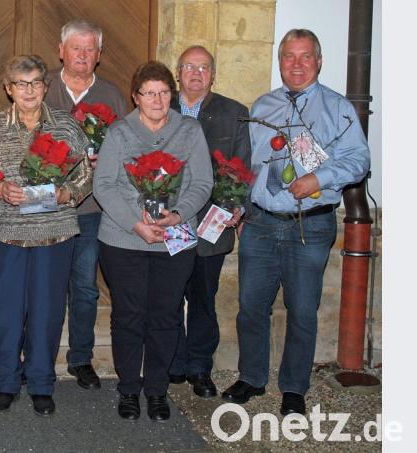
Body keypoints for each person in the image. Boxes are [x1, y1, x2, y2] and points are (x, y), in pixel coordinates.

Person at [221, 29, 370, 416]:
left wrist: (319, 178)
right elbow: (249, 165)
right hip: (260, 224)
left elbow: (359, 160)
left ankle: (294, 387)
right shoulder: (262, 106)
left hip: (310, 226)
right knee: (251, 307)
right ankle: (252, 377)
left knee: (302, 311)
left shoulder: (337, 108)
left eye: (305, 56)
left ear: (318, 61)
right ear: (280, 61)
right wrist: (242, 207)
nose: (297, 64)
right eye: (289, 56)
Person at [93, 61, 212, 421]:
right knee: (128, 315)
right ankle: (129, 388)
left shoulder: (189, 131)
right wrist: (135, 224)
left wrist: (178, 214)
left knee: (166, 315)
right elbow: (104, 185)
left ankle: (157, 390)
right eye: (149, 93)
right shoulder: (119, 132)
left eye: (163, 92)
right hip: (123, 240)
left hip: (174, 238)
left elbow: (202, 183)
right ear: (136, 97)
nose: (157, 100)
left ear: (171, 95)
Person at [0, 55, 92, 417]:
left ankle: (41, 383)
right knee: (5, 314)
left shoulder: (66, 126)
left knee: (47, 312)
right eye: (21, 84)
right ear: (8, 89)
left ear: (46, 86)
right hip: (7, 233)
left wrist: (66, 192)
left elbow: (86, 175)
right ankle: (5, 383)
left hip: (54, 235)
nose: (29, 91)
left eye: (36, 83)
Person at [44, 19, 127, 390]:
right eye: (75, 47)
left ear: (99, 54)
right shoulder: (41, 86)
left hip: (91, 210)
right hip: (46, 209)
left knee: (85, 288)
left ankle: (80, 358)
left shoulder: (111, 95)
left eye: (89, 48)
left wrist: (105, 158)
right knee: (45, 287)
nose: (82, 55)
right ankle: (41, 358)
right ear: (61, 51)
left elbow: (127, 149)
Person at [167, 45, 250, 398]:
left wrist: (238, 206)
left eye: (204, 67)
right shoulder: (160, 105)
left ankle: (200, 367)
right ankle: (173, 361)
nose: (196, 73)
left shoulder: (234, 113)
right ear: (178, 73)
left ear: (213, 75)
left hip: (211, 224)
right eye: (189, 66)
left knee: (203, 298)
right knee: (169, 295)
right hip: (169, 220)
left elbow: (244, 166)